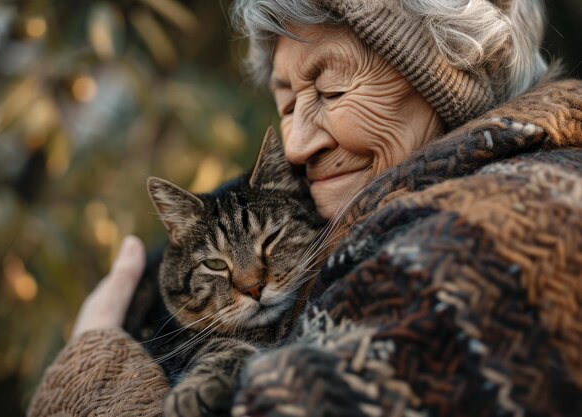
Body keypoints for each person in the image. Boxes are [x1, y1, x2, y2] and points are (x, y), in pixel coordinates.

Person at [28, 0, 582, 416]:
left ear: (452, 81)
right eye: (287, 104)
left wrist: (90, 372)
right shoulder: (401, 209)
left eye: (334, 90)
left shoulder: (505, 225)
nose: (295, 145)